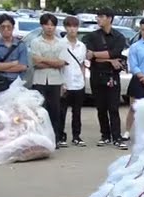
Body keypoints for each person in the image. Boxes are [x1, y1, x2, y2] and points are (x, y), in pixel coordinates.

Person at [85, 9, 128, 147]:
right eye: (98, 16)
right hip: (96, 75)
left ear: (109, 18)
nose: (98, 19)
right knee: (101, 108)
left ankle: (117, 137)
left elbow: (115, 53)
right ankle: (105, 135)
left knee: (114, 108)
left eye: (101, 16)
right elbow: (89, 55)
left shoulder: (119, 37)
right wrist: (109, 59)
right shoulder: (92, 36)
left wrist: (101, 56)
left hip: (112, 77)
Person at [29, 13, 66, 143]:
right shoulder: (35, 42)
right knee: (40, 110)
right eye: (47, 24)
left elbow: (61, 62)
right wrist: (53, 62)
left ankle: (55, 138)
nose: (49, 28)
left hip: (56, 80)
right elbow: (36, 63)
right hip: (39, 80)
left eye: (52, 25)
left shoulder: (61, 43)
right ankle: (40, 138)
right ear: (42, 26)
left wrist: (44, 59)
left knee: (55, 110)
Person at [60, 15, 88, 146]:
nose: (72, 29)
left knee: (77, 112)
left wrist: (83, 80)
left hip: (78, 82)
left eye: (75, 26)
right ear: (65, 28)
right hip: (64, 82)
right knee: (61, 112)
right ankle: (60, 136)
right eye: (69, 26)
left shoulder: (82, 46)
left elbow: (82, 64)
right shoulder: (60, 44)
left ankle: (76, 136)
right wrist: (60, 83)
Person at [0, 14, 28, 93]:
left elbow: (23, 66)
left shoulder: (21, 45)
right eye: (3, 27)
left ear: (13, 28)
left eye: (8, 27)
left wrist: (3, 68)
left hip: (18, 83)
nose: (6, 29)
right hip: (2, 83)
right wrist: (13, 63)